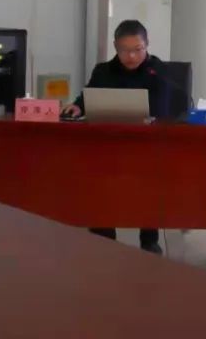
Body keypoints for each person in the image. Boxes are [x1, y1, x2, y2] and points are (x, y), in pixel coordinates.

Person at [62, 19, 170, 254]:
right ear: (115, 47)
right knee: (96, 175)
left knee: (148, 179)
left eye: (137, 49)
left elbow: (164, 109)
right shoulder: (103, 71)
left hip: (145, 144)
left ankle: (149, 239)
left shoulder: (158, 70)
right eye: (124, 50)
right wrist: (78, 106)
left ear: (147, 45)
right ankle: (103, 234)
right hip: (107, 142)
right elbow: (87, 97)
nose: (131, 56)